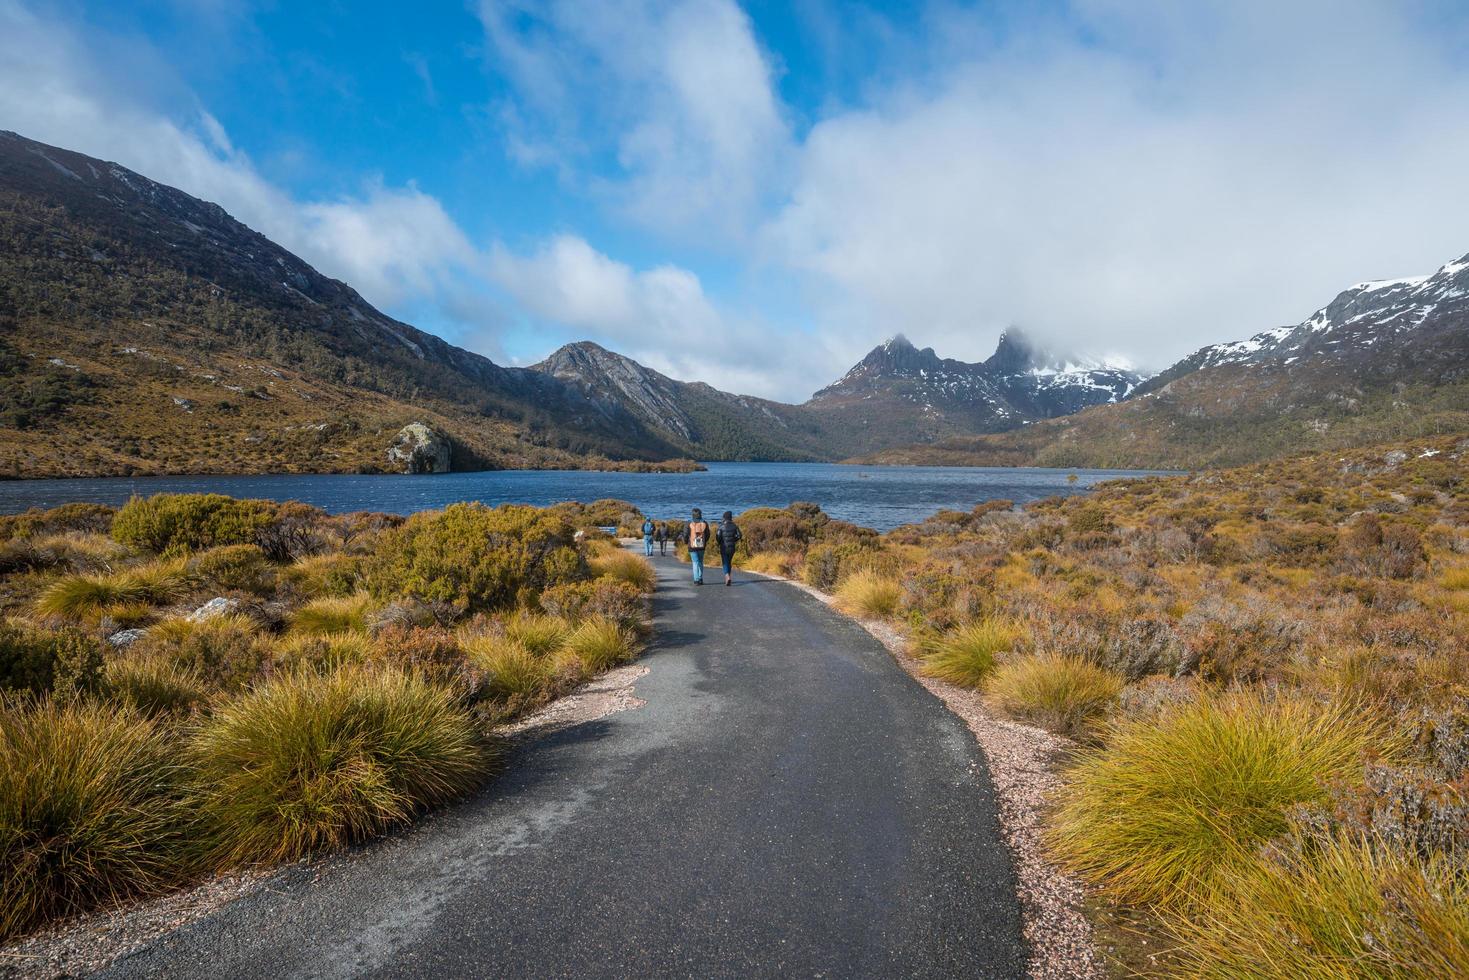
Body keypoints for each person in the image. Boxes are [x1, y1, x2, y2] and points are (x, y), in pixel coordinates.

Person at [716, 510, 742, 587]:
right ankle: (729, 577)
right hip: (732, 547)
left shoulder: (721, 526)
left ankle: (727, 576)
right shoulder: (735, 526)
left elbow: (718, 537)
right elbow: (740, 535)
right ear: (730, 518)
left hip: (723, 547)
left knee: (725, 562)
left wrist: (720, 542)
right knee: (729, 562)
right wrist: (734, 540)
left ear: (724, 517)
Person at [685, 508, 710, 585]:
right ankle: (700, 578)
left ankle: (696, 580)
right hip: (701, 546)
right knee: (700, 562)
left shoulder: (689, 523)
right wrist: (704, 542)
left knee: (695, 562)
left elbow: (685, 534)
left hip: (692, 546)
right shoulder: (705, 522)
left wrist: (686, 542)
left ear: (692, 514)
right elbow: (708, 534)